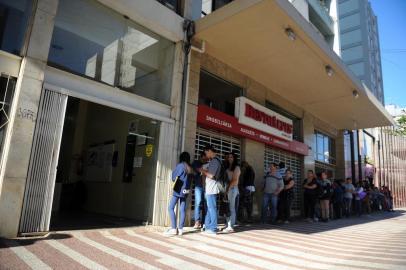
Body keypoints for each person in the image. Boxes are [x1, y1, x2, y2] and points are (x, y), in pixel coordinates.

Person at [165, 152, 192, 236]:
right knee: (182, 209)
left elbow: (174, 176)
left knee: (170, 207)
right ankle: (180, 229)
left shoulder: (181, 165)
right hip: (186, 190)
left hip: (178, 189)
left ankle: (173, 228)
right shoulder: (189, 167)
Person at [201, 145, 222, 235]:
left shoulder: (214, 161)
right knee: (210, 208)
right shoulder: (217, 160)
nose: (206, 155)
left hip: (211, 188)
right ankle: (208, 227)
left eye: (206, 153)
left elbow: (211, 175)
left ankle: (213, 228)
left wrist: (202, 171)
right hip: (211, 188)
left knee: (212, 208)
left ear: (209, 151)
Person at [223, 153, 241, 232]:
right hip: (228, 188)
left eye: (231, 157)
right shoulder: (228, 167)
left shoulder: (237, 168)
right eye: (228, 157)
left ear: (234, 158)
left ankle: (230, 226)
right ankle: (228, 224)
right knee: (228, 207)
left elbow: (235, 180)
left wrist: (227, 190)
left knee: (231, 208)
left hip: (232, 189)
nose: (229, 158)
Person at [191, 152, 208, 229]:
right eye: (204, 158)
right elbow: (196, 170)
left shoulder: (207, 164)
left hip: (206, 187)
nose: (205, 160)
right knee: (198, 203)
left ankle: (204, 222)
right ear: (201, 157)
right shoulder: (196, 162)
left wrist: (202, 170)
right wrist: (202, 170)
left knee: (205, 204)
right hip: (198, 186)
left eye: (206, 159)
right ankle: (197, 221)